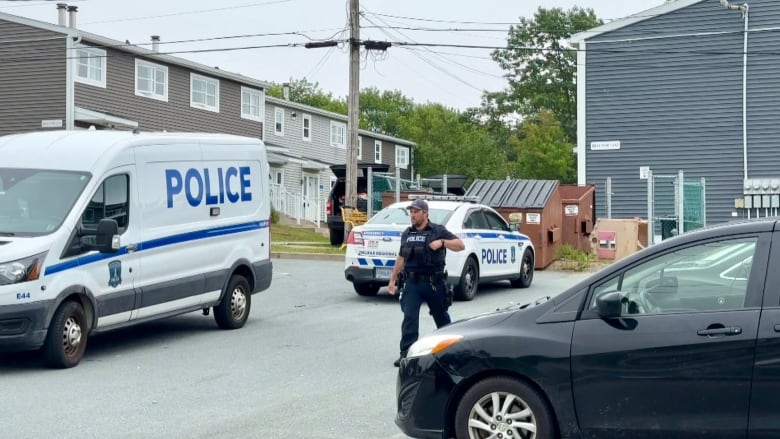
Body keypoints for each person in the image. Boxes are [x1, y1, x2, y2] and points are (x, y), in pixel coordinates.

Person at [388, 198, 465, 367]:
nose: (413, 215)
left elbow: (460, 245)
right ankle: (406, 355)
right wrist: (393, 279)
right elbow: (401, 257)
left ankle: (451, 352)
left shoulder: (438, 231)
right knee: (409, 318)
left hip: (433, 283)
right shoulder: (407, 234)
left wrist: (443, 242)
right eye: (411, 212)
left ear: (425, 213)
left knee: (441, 318)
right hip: (412, 283)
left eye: (416, 212)